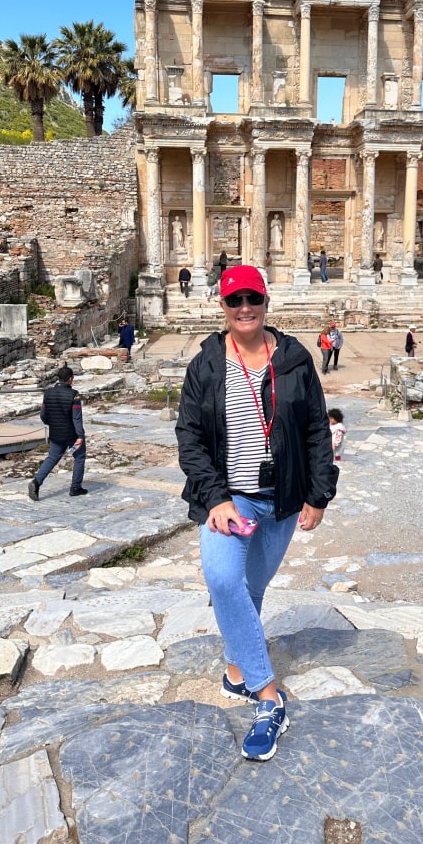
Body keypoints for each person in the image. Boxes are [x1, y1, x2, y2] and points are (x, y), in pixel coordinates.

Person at [176, 264, 338, 762]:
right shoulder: (205, 366)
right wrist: (216, 498)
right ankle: (269, 699)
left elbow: (315, 429)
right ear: (221, 307)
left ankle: (235, 673)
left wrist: (318, 495)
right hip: (231, 499)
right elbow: (190, 439)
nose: (244, 308)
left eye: (253, 299)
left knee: (251, 589)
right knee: (224, 581)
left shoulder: (293, 359)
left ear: (266, 302)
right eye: (234, 300)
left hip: (283, 499)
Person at [28, 366, 87, 500]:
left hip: (55, 433)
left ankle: (36, 482)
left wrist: (52, 424)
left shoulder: (48, 393)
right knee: (79, 457)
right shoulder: (74, 395)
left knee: (52, 458)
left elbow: (43, 415)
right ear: (70, 379)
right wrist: (80, 436)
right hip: (71, 435)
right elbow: (76, 418)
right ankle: (75, 487)